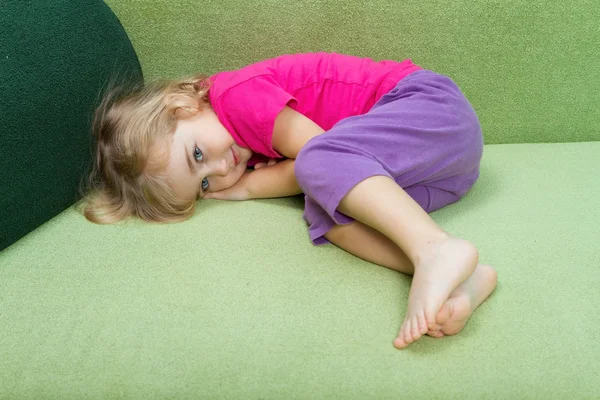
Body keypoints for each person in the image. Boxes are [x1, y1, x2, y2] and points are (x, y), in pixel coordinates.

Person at [84, 52, 497, 349]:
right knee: (328, 217)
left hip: (429, 108)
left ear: (185, 106)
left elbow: (316, 152)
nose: (220, 170)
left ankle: (435, 249)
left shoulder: (234, 96)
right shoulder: (231, 140)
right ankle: (462, 280)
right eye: (205, 185)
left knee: (320, 161)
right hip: (441, 171)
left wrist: (247, 188)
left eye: (196, 155)